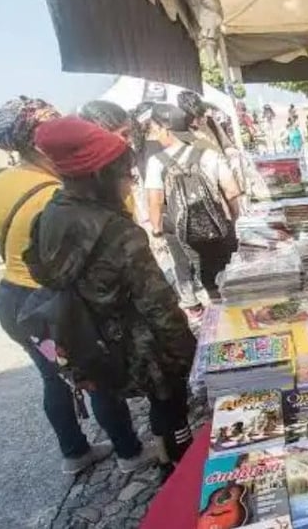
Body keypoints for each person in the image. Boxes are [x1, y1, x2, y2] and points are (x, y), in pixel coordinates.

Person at [0, 98, 154, 475]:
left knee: (53, 377)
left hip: (14, 302)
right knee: (96, 376)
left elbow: (4, 246)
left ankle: (74, 453)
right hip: (55, 307)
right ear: (41, 142)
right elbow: (75, 267)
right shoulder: (56, 194)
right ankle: (129, 453)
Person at [24, 116, 197, 469]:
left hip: (90, 340)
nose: (129, 183)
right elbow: (160, 307)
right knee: (170, 404)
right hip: (138, 345)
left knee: (125, 397)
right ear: (100, 175)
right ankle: (177, 468)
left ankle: (162, 456)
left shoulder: (50, 215)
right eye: (124, 174)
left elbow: (43, 272)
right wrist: (192, 355)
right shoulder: (117, 232)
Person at [143, 104, 242, 299]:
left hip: (187, 234)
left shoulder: (157, 162)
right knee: (232, 275)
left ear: (166, 129)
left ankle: (218, 307)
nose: (156, 135)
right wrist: (233, 219)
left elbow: (155, 201)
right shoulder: (209, 152)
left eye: (156, 130)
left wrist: (156, 229)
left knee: (207, 277)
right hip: (219, 226)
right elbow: (231, 191)